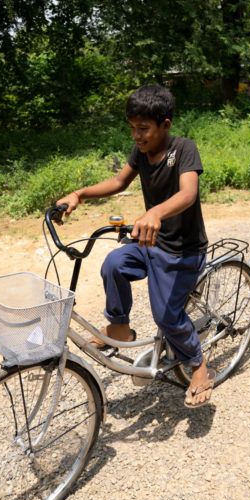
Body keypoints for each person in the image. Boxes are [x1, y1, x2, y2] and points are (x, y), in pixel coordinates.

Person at [56, 84, 215, 408]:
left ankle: (198, 366)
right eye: (132, 128)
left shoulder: (183, 149)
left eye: (143, 129)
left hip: (182, 251)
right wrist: (79, 194)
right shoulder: (141, 153)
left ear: (165, 125)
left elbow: (188, 194)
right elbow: (118, 182)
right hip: (150, 243)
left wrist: (155, 212)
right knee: (113, 264)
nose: (137, 136)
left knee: (166, 316)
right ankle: (120, 326)